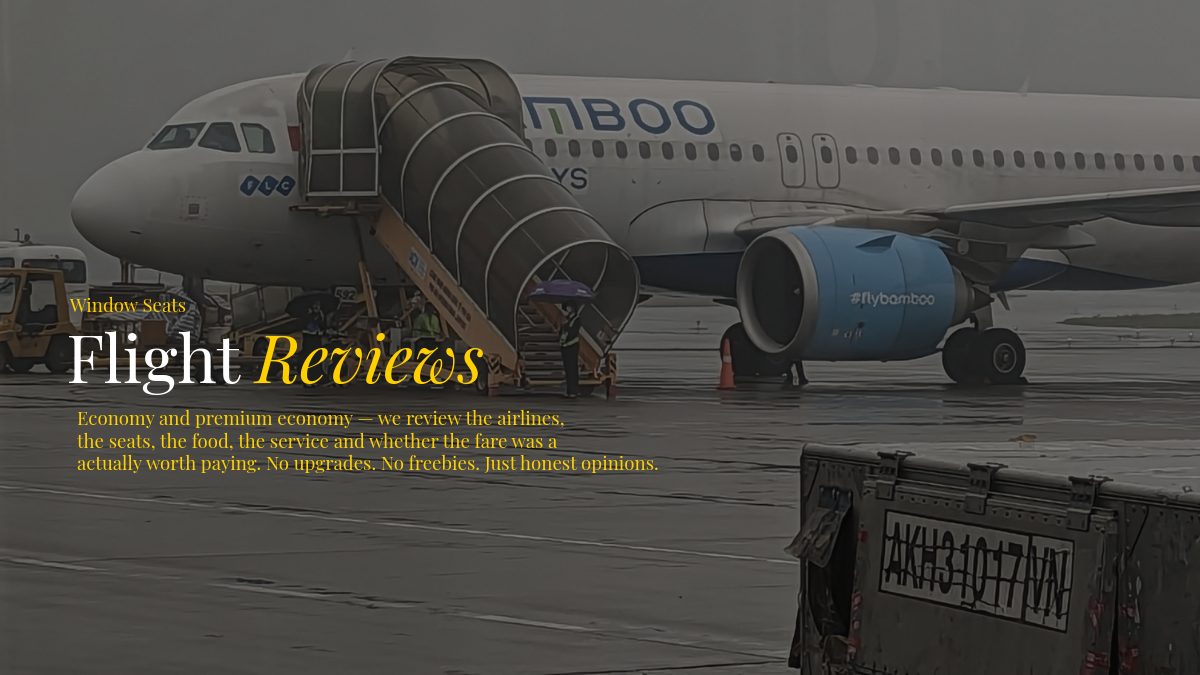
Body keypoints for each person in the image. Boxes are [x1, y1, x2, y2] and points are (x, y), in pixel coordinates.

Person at [559, 301, 582, 398]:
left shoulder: (577, 319)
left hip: (572, 345)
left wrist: (567, 327)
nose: (567, 310)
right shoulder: (567, 319)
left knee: (572, 368)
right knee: (568, 369)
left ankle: (574, 390)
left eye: (568, 307)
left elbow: (573, 332)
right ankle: (569, 390)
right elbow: (562, 332)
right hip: (565, 346)